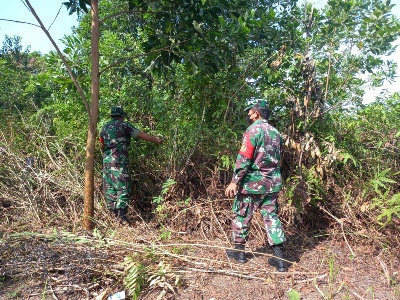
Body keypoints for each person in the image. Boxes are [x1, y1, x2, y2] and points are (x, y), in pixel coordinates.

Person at [225, 99, 287, 272]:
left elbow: (244, 159)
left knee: (242, 215)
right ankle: (279, 259)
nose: (248, 115)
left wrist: (234, 182)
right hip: (272, 183)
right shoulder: (276, 132)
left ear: (257, 113)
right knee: (271, 217)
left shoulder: (252, 131)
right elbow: (279, 157)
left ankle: (240, 253)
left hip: (252, 183)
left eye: (250, 112)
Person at [99, 106, 163, 223]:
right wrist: (156, 140)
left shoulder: (104, 128)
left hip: (107, 162)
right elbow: (140, 134)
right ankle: (122, 217)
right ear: (122, 116)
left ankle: (113, 217)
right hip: (119, 161)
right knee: (123, 187)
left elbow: (102, 145)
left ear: (112, 116)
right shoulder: (124, 125)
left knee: (110, 188)